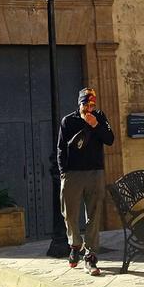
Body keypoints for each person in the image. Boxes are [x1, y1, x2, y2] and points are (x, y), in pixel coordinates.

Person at [56, 86, 115, 275]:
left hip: (95, 173)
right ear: (79, 103)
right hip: (72, 174)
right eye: (85, 104)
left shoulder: (100, 118)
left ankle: (90, 256)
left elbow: (110, 139)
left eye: (92, 104)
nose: (89, 108)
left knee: (94, 216)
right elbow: (60, 149)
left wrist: (96, 125)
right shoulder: (68, 121)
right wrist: (64, 171)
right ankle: (75, 245)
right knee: (70, 214)